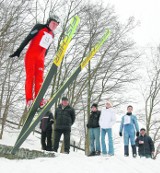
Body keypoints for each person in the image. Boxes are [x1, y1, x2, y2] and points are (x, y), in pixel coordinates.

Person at [9, 14, 60, 108]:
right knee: (30, 77)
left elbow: (47, 48)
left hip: (40, 60)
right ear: (49, 22)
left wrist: (44, 57)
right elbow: (28, 38)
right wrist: (19, 50)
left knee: (40, 79)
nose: (54, 26)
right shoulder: (39, 27)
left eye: (56, 25)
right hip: (31, 56)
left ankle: (39, 100)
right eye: (53, 23)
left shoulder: (52, 35)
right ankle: (29, 100)